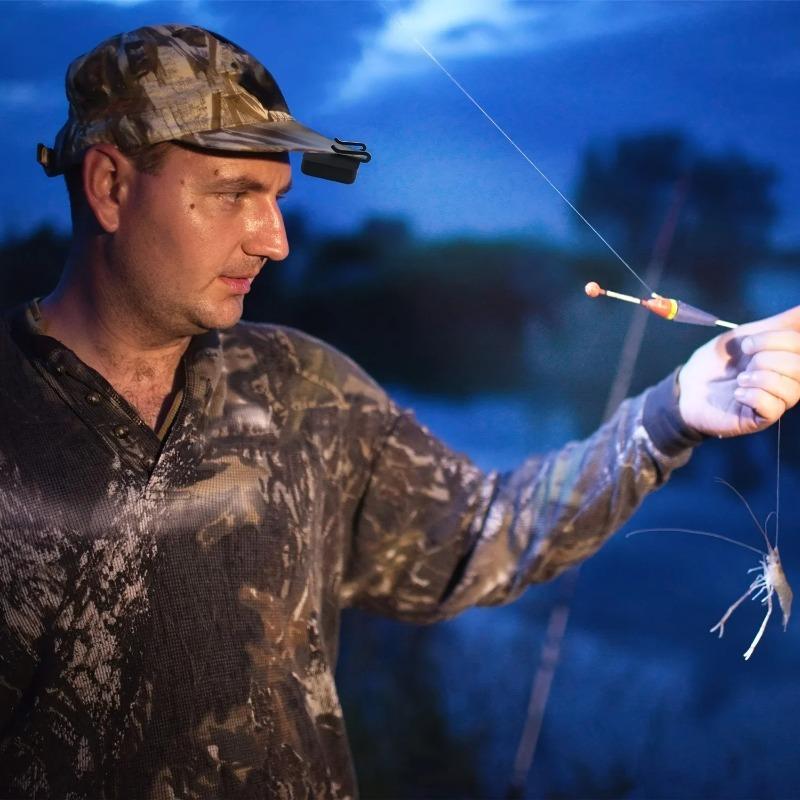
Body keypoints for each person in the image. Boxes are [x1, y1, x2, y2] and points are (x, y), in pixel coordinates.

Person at [1, 23, 798, 800]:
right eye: (234, 193)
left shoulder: (304, 388)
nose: (274, 239)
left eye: (277, 196)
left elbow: (488, 530)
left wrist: (670, 413)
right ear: (109, 186)